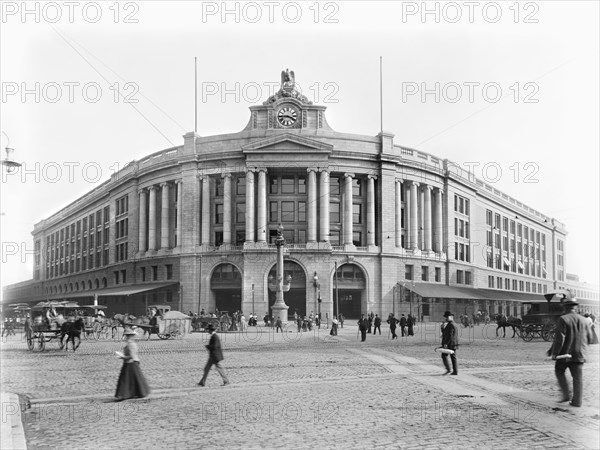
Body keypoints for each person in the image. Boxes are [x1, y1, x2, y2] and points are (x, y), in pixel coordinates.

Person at [547, 298, 595, 407]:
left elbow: (560, 339)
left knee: (559, 371)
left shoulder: (563, 319)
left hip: (565, 354)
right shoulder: (584, 320)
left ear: (565, 308)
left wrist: (554, 353)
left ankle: (566, 395)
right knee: (578, 377)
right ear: (575, 308)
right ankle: (577, 402)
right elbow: (590, 338)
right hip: (579, 354)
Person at [115, 329, 150, 401]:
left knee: (127, 380)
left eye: (127, 336)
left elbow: (132, 356)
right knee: (132, 379)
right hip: (130, 363)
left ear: (130, 336)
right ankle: (133, 393)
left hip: (131, 363)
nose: (126, 337)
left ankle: (125, 394)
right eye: (126, 336)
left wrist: (122, 357)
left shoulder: (131, 344)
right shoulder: (131, 343)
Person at [440, 311, 458, 375]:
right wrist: (442, 328)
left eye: (446, 317)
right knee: (453, 357)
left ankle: (448, 369)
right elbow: (447, 333)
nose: (446, 319)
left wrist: (446, 344)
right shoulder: (454, 324)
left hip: (450, 344)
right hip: (454, 343)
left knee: (444, 355)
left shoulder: (450, 325)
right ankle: (455, 371)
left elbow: (449, 335)